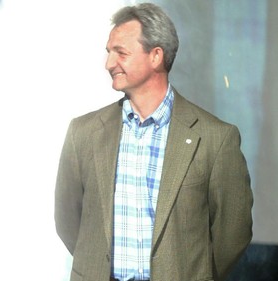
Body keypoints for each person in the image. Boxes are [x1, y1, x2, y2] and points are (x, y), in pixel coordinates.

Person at [55, 3, 253, 281]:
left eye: (121, 53)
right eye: (109, 52)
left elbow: (233, 232)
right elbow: (67, 221)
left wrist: (192, 272)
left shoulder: (215, 138)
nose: (109, 63)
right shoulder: (84, 133)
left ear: (156, 56)